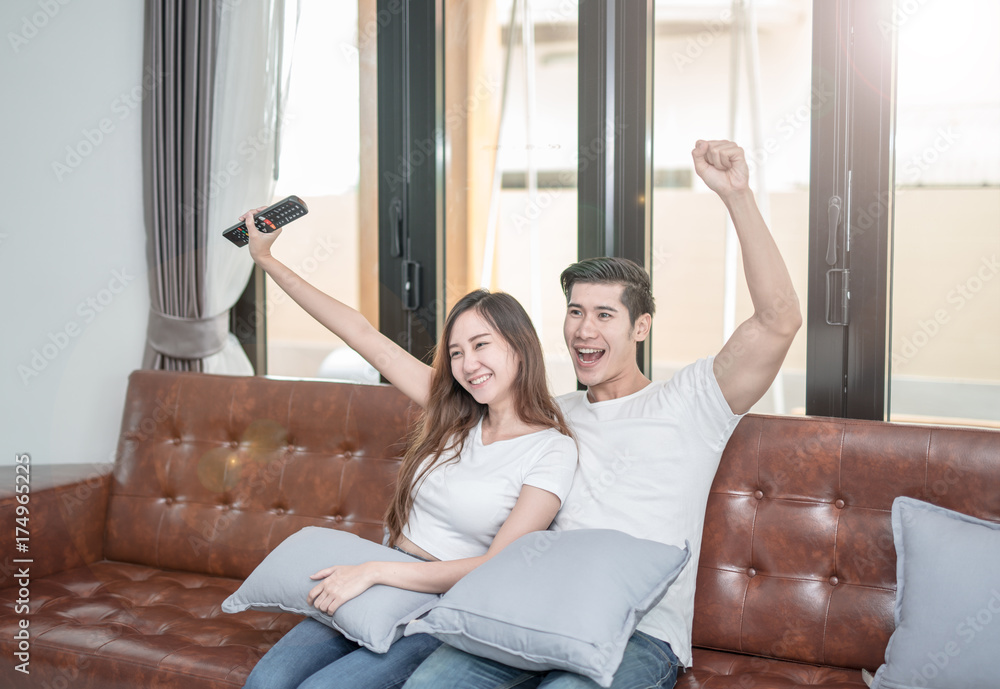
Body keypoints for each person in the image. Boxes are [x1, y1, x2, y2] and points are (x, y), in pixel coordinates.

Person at [402, 139, 802, 689]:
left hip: (640, 634)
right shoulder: (548, 416)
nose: (584, 330)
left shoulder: (692, 402)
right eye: (574, 312)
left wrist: (737, 197)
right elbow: (443, 385)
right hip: (534, 614)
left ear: (640, 328)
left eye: (604, 314)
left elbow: (778, 320)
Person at [240, 208, 578, 689]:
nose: (467, 364)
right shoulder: (454, 413)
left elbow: (497, 566)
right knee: (265, 683)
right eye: (456, 352)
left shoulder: (551, 450)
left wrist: (375, 572)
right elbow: (361, 334)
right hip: (378, 579)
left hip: (439, 600)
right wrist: (267, 260)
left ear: (520, 349)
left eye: (482, 345)